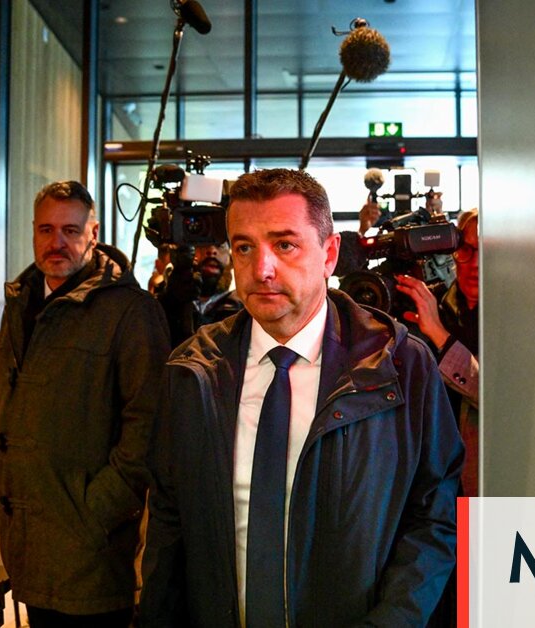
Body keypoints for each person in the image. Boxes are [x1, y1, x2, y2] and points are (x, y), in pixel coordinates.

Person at [140, 168, 464, 627]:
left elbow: (434, 514)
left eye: (285, 245)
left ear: (329, 254)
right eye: (244, 247)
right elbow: (169, 521)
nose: (261, 269)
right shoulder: (193, 371)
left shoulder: (400, 365)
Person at [0, 180, 169, 627]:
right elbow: (1, 396)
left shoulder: (130, 310)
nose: (57, 243)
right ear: (33, 231)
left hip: (91, 546)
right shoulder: (22, 300)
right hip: (26, 538)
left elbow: (149, 427)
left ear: (94, 233)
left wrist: (97, 510)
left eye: (71, 230)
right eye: (46, 230)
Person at [395, 208, 480, 496]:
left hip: (480, 483)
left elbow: (498, 399)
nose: (475, 264)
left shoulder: (517, 318)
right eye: (466, 249)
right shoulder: (435, 303)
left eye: (487, 252)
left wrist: (438, 334)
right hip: (433, 481)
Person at [156, 241, 244, 346]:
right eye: (202, 242)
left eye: (219, 245)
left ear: (230, 255)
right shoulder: (169, 299)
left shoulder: (244, 306)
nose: (211, 251)